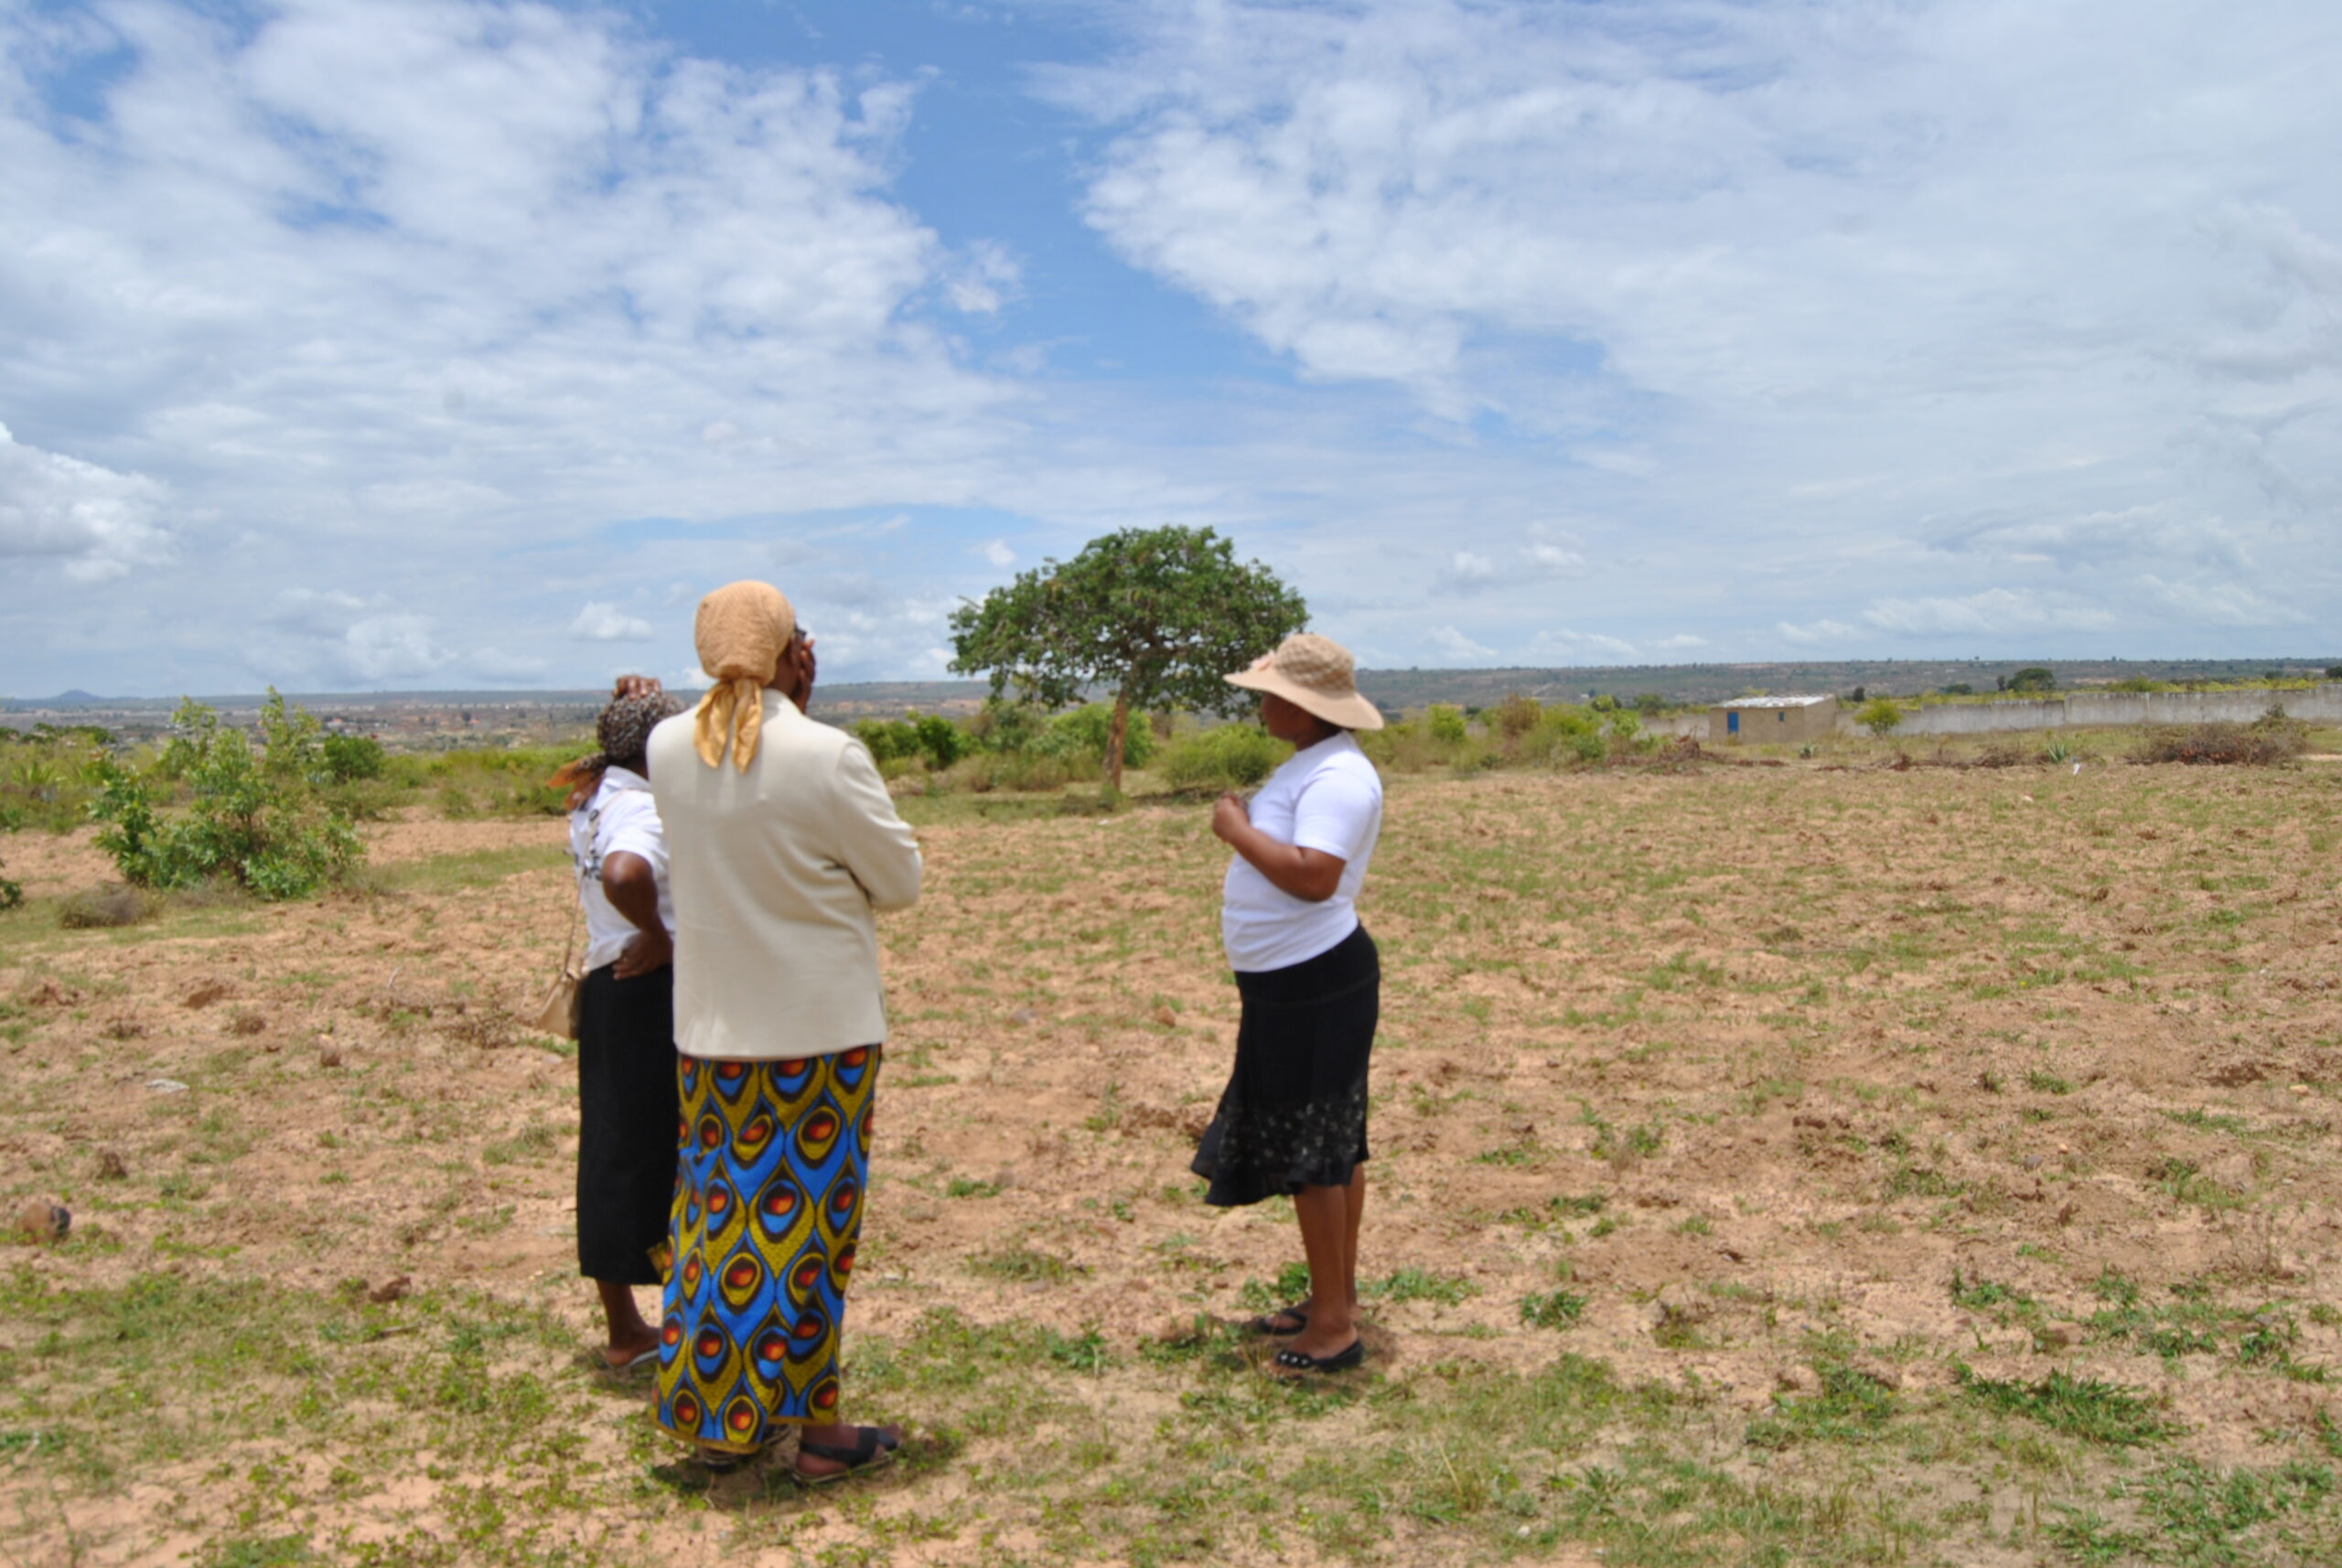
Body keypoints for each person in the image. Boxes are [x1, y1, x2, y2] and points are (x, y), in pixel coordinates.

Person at [645, 582, 923, 1480]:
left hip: (709, 1036)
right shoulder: (828, 754)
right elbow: (900, 881)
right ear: (791, 653)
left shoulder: (663, 745)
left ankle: (720, 1422)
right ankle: (821, 1437)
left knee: (718, 1226)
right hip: (819, 1039)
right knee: (809, 1237)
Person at [1194, 632, 1386, 1373]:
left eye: (1271, 694)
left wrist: (1236, 831)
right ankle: (1334, 1293)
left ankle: (1333, 1325)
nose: (1262, 703)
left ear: (1304, 708)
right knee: (1334, 1145)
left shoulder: (1337, 778)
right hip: (1295, 980)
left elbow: (1314, 878)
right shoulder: (1314, 765)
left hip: (1313, 982)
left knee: (1318, 1154)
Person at [553, 685, 686, 1369]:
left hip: (608, 985)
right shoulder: (640, 808)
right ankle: (661, 1321)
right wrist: (659, 935)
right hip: (647, 988)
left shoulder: (597, 793)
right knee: (666, 1147)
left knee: (609, 1147)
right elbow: (626, 872)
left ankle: (624, 1327)